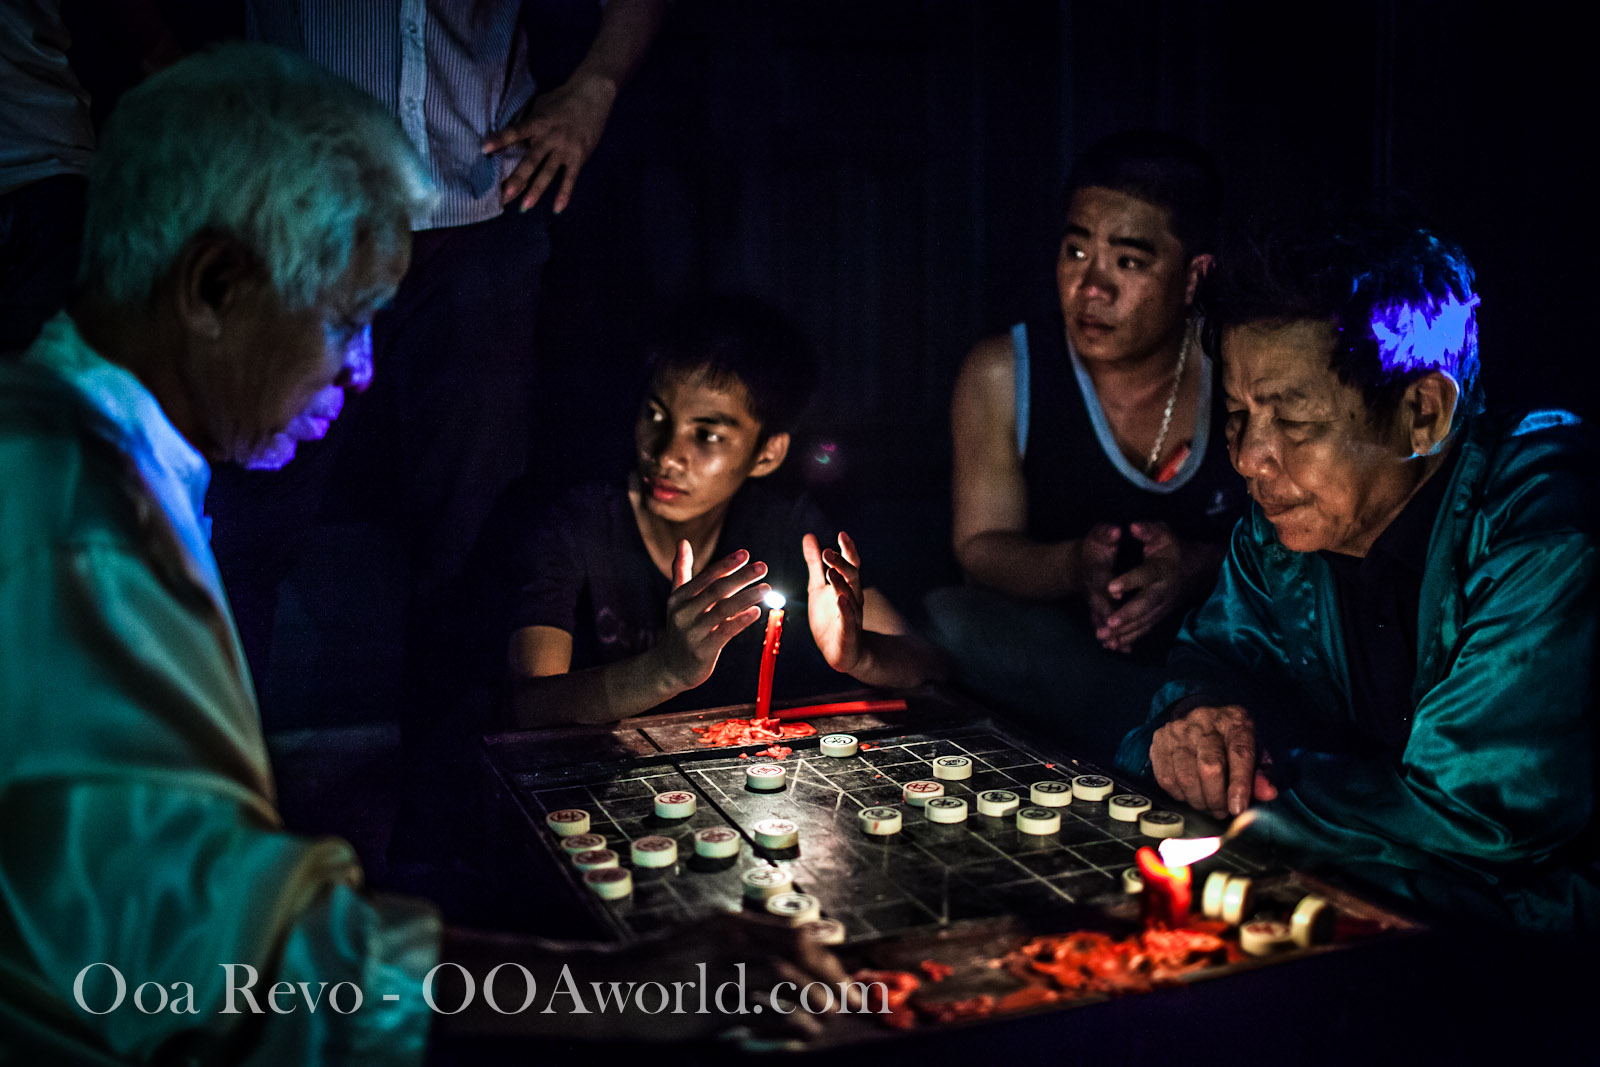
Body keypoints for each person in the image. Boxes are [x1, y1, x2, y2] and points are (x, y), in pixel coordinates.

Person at [0, 45, 851, 1063]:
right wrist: (622, 986)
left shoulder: (82, 452)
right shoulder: (82, 527)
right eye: (347, 317)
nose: (363, 368)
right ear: (216, 285)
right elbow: (207, 950)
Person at [1115, 213, 1599, 930]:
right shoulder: (1283, 527)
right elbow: (1212, 660)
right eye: (1239, 414)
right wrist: (1198, 718)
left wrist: (1258, 793)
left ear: (1422, 413)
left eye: (1294, 422)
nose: (1248, 458)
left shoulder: (1545, 523)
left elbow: (1476, 818)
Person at [926, 131, 1247, 763]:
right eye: (1076, 251)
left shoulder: (1238, 363)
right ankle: (1150, 740)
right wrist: (1074, 565)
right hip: (1071, 655)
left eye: (1129, 262)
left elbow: (1306, 559)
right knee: (954, 619)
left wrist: (1196, 568)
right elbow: (980, 547)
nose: (1091, 287)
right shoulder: (1005, 371)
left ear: (1194, 276)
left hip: (1214, 651)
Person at [508, 295, 944, 726]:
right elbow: (527, 705)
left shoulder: (788, 526)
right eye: (656, 416)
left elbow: (927, 662)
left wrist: (860, 655)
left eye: (707, 435)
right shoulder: (575, 523)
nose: (667, 455)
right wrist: (664, 671)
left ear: (767, 454)